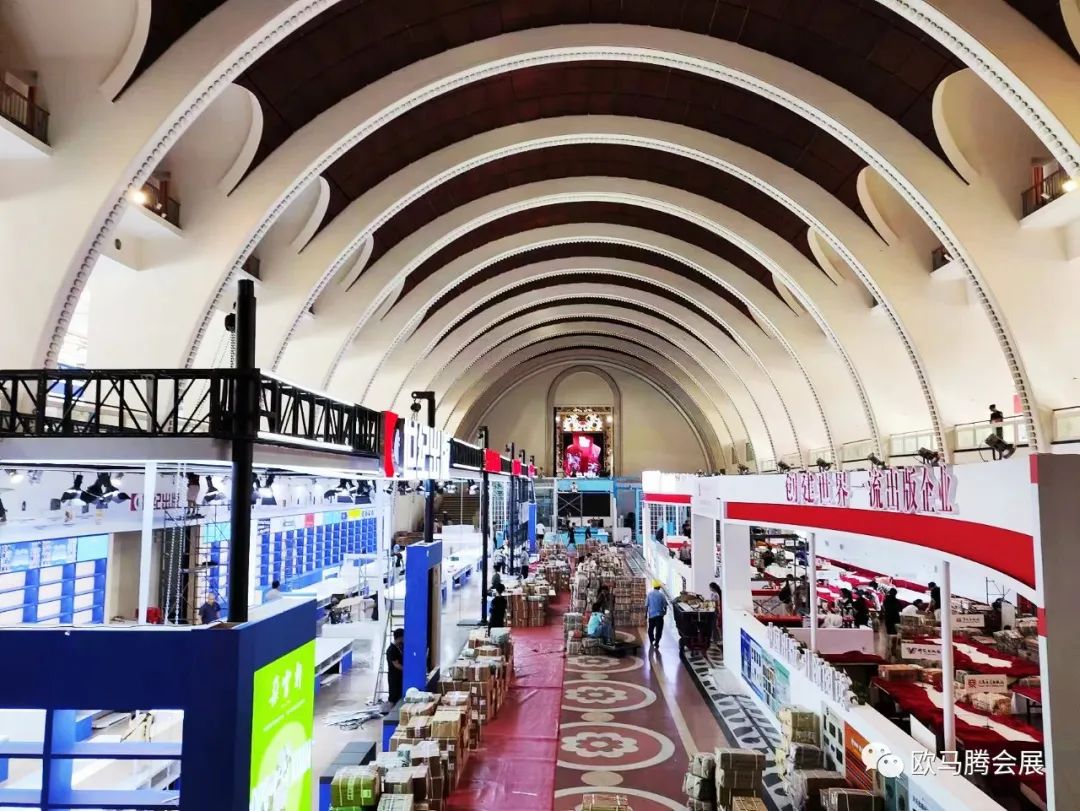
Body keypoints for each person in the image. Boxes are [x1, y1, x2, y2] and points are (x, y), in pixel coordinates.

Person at [386, 627, 404, 706]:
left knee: (399, 695)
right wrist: (408, 671)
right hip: (394, 677)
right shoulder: (391, 650)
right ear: (400, 638)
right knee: (394, 696)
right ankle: (391, 711)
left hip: (399, 676)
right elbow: (397, 665)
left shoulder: (400, 647)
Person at [646, 581, 668, 647]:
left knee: (650, 629)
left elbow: (646, 605)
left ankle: (651, 640)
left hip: (651, 616)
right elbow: (665, 605)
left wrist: (645, 614)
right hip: (659, 616)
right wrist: (665, 612)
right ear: (659, 587)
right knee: (659, 630)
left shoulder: (649, 594)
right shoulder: (661, 595)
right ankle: (657, 642)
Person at [882, 588, 902, 661]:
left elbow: (884, 607)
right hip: (895, 619)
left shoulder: (885, 600)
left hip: (888, 618)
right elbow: (900, 609)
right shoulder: (897, 601)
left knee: (889, 633)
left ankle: (888, 648)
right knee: (895, 634)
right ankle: (893, 651)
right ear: (895, 594)